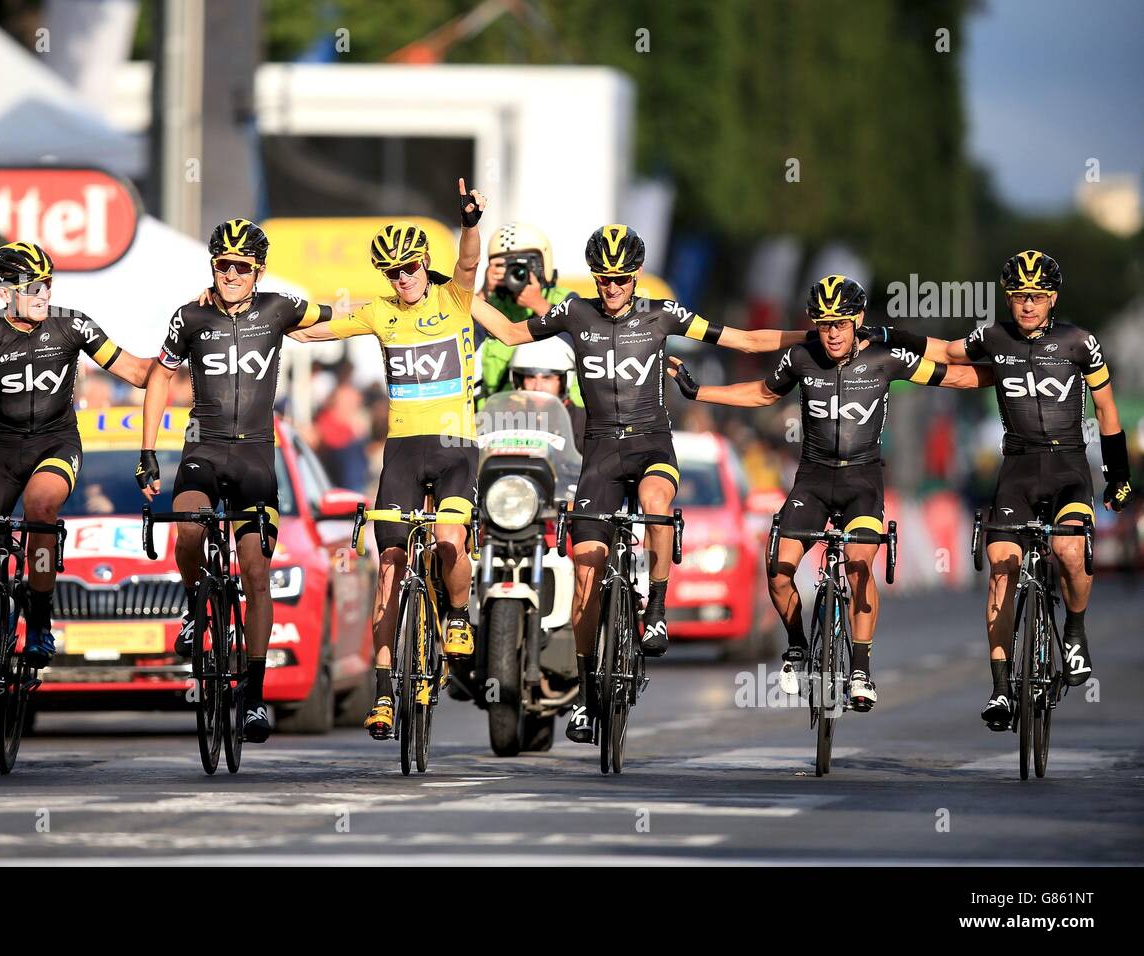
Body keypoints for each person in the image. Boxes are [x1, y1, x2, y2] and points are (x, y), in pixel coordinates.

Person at [471, 223, 811, 745]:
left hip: (652, 442)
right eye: (605, 279)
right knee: (585, 572)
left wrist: (813, 336)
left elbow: (743, 338)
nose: (612, 289)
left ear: (634, 278)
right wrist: (454, 294)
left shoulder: (661, 314)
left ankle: (655, 607)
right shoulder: (574, 312)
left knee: (655, 502)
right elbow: (514, 334)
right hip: (601, 450)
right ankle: (586, 698)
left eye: (622, 280)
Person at [670, 274, 988, 711]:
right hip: (814, 480)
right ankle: (798, 646)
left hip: (863, 481)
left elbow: (956, 378)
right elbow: (763, 394)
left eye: (840, 323)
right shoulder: (802, 358)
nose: (832, 333)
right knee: (779, 569)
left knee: (859, 563)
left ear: (858, 319)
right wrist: (700, 391)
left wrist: (1019, 369)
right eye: (823, 324)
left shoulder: (886, 357)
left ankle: (860, 668)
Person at [293, 180, 490, 741]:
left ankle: (455, 619)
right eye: (392, 272)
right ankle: (383, 694)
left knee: (450, 539)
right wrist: (254, 312)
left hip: (455, 449)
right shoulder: (381, 312)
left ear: (425, 265)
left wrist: (470, 220)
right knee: (389, 573)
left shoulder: (453, 299)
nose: (401, 279)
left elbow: (470, 262)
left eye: (408, 268)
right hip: (402, 454)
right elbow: (311, 334)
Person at [0, 242, 153, 737]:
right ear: (3, 292)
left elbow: (137, 372)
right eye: (31, 286)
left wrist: (187, 345)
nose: (42, 293)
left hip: (56, 444)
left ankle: (38, 618)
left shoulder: (71, 324)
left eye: (47, 283)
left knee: (41, 504)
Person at [137, 218, 336, 744]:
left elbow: (340, 318)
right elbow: (160, 376)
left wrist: (404, 309)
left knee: (255, 571)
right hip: (202, 450)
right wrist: (147, 451)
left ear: (258, 271)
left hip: (254, 458)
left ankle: (252, 696)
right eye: (222, 265)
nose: (230, 274)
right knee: (188, 532)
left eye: (241, 267)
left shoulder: (278, 308)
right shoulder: (190, 316)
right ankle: (193, 606)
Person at [931, 251, 1132, 728]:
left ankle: (1076, 632)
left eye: (1037, 297)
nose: (1027, 306)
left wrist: (1120, 476)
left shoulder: (1080, 342)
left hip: (1067, 468)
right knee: (1001, 568)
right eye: (1020, 297)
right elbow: (947, 352)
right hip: (1017, 469)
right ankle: (1001, 689)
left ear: (1052, 299)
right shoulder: (993, 337)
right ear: (1009, 298)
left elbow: (1106, 411)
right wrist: (886, 340)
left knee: (1067, 548)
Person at [479, 222, 582, 407]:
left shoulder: (566, 300)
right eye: (505, 265)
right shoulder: (491, 306)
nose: (516, 271)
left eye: (524, 264)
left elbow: (583, 341)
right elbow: (460, 344)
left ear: (544, 262)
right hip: (500, 418)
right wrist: (483, 294)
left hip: (560, 416)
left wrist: (539, 304)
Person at [506, 337, 586, 453]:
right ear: (518, 380)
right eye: (531, 377)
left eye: (547, 378)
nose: (538, 387)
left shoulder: (585, 423)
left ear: (564, 381)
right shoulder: (506, 420)